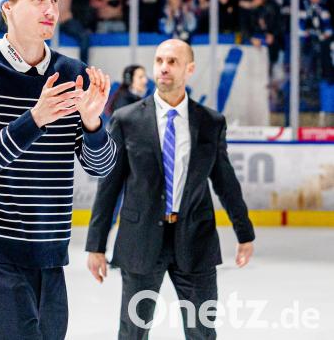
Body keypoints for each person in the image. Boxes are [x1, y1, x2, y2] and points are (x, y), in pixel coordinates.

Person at [0, 0, 118, 340]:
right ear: (8, 6)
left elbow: (102, 167)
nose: (50, 9)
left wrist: (93, 124)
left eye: (54, 0)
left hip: (49, 254)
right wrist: (34, 118)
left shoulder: (72, 74)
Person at [85, 39, 256, 339]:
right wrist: (96, 245)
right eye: (159, 61)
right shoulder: (127, 120)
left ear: (189, 69)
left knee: (202, 331)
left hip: (196, 241)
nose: (164, 68)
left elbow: (225, 182)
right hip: (141, 241)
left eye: (173, 62)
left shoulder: (210, 122)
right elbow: (109, 186)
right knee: (133, 332)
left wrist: (245, 232)